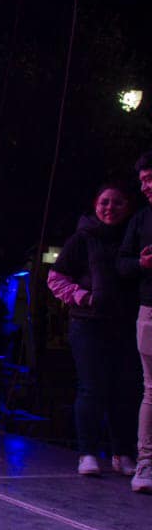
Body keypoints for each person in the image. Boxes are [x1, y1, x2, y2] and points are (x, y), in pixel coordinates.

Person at [47, 182, 140, 478]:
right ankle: (87, 452)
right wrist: (83, 297)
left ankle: (122, 452)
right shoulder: (83, 238)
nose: (110, 208)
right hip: (88, 324)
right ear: (95, 205)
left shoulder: (134, 236)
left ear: (128, 206)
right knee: (91, 387)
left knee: (124, 390)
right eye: (104, 202)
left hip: (125, 322)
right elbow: (55, 278)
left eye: (117, 202)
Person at [119, 152, 152, 494]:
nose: (145, 186)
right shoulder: (142, 219)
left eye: (149, 179)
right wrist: (141, 264)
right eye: (142, 180)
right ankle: (146, 462)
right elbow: (123, 264)